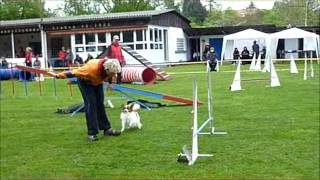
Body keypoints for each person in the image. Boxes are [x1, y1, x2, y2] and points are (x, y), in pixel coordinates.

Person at [54, 58, 122, 142]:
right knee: (91, 105)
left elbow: (110, 74)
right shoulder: (90, 69)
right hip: (85, 83)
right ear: (106, 69)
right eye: (112, 73)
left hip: (97, 82)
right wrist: (58, 75)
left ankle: (107, 129)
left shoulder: (110, 65)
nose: (113, 75)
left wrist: (110, 83)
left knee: (100, 104)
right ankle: (92, 133)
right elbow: (74, 72)